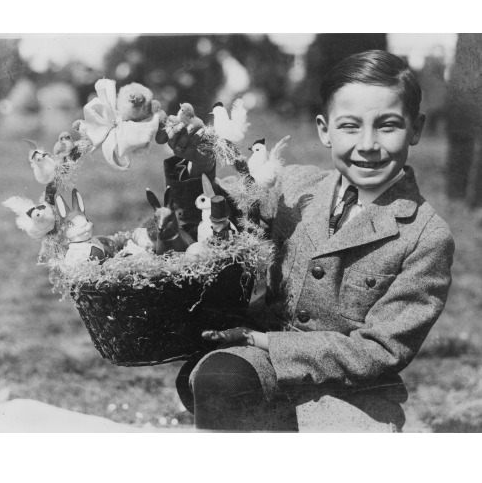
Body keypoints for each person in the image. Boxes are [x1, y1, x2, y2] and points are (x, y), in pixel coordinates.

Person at [166, 50, 455, 432]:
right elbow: (216, 222)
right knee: (221, 376)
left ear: (415, 128)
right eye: (350, 126)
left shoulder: (426, 236)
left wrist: (261, 340)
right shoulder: (292, 186)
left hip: (349, 395)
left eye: (388, 126)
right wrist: (198, 170)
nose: (368, 144)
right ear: (324, 129)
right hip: (261, 371)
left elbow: (381, 350)